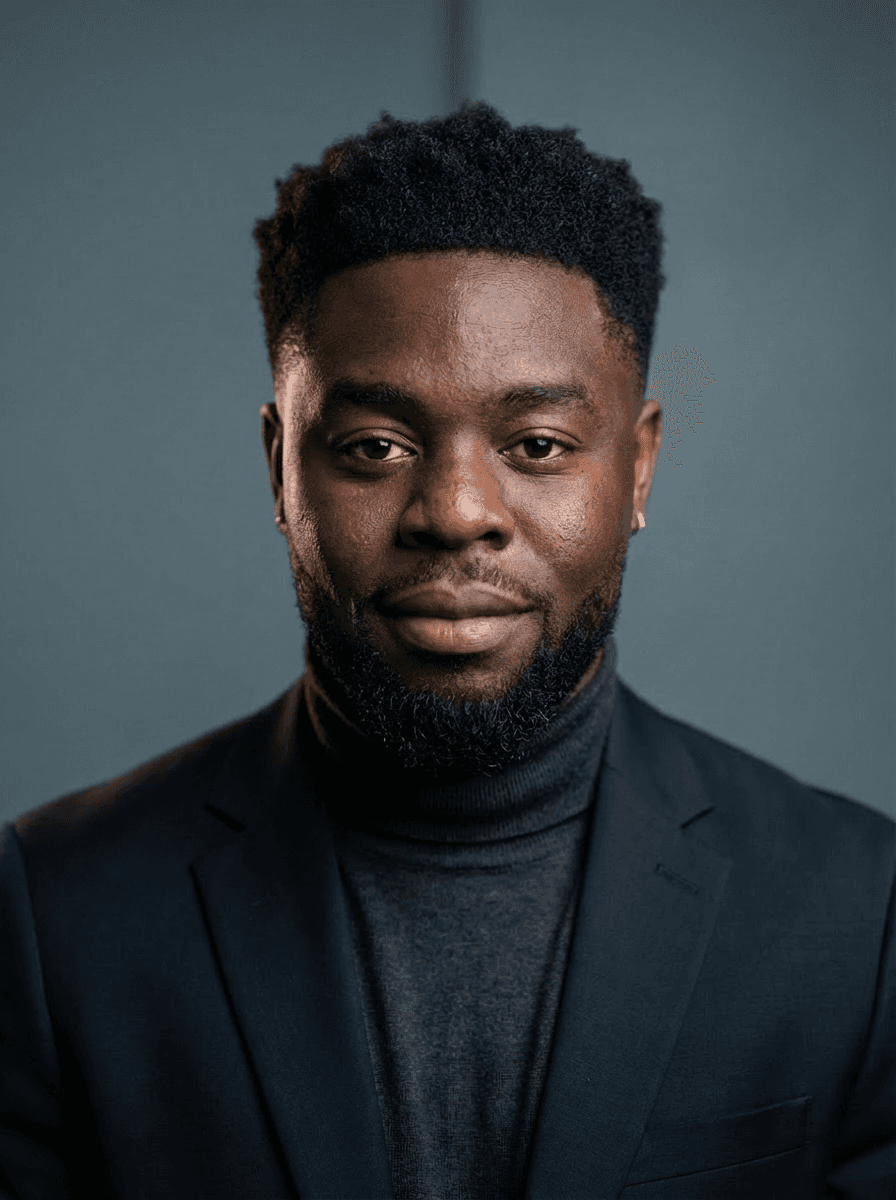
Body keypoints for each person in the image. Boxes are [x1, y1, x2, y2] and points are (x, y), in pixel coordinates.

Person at [1, 103, 892, 1200]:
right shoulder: (54, 914)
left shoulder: (856, 912)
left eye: (536, 446)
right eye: (373, 446)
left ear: (639, 467)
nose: (456, 511)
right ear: (282, 466)